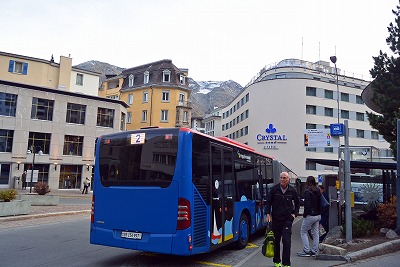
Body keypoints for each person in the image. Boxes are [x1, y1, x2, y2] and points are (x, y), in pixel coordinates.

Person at [266, 171, 300, 267]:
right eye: (281, 177)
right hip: (276, 219)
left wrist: (294, 214)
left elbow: (297, 203)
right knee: (276, 241)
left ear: (288, 180)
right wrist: (267, 213)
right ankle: (276, 262)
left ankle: (286, 264)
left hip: (287, 220)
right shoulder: (274, 189)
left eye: (284, 178)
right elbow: (268, 202)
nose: (282, 179)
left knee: (286, 241)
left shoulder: (292, 190)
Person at [298, 176, 321, 257]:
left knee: (303, 231)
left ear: (307, 182)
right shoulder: (318, 190)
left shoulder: (307, 192)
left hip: (310, 215)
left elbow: (307, 204)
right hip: (318, 214)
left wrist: (305, 214)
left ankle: (306, 250)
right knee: (315, 233)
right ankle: (314, 250)